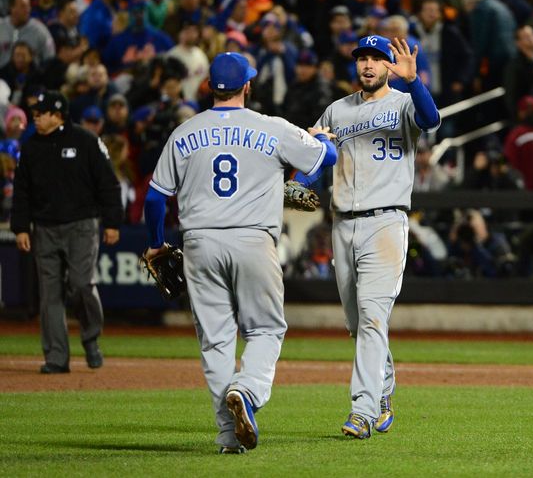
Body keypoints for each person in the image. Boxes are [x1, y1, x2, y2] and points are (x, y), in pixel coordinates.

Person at [141, 52, 337, 453]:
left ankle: (229, 437)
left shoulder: (184, 132)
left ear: (211, 87)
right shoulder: (271, 126)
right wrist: (318, 141)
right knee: (266, 329)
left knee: (215, 341)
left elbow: (155, 198)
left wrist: (156, 242)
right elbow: (327, 158)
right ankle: (246, 391)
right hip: (252, 239)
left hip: (200, 242)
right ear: (248, 85)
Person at [314, 35, 440, 439]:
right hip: (343, 223)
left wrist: (414, 81)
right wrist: (309, 157)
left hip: (386, 222)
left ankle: (363, 411)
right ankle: (384, 389)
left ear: (389, 66)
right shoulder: (337, 110)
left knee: (371, 316)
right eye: (362, 58)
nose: (367, 64)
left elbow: (431, 118)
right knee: (358, 322)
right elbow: (314, 152)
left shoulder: (403, 103)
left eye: (376, 58)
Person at [10, 90, 123, 374]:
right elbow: (21, 192)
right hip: (45, 228)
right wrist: (21, 227)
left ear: (58, 115)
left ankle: (90, 336)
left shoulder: (85, 141)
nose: (35, 118)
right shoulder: (31, 147)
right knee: (50, 295)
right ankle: (56, 358)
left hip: (81, 226)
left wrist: (112, 222)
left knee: (82, 284)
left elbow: (108, 184)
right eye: (34, 114)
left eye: (41, 114)